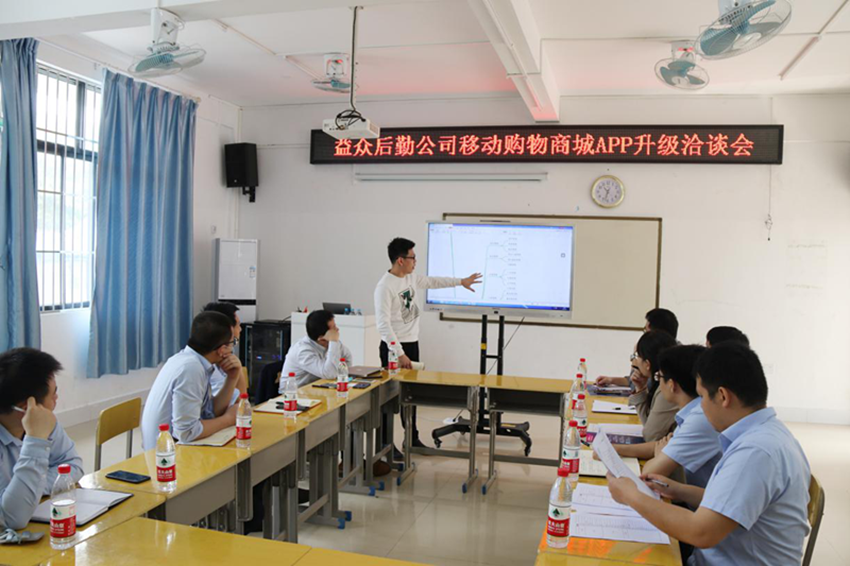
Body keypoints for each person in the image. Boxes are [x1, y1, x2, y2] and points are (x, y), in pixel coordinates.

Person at [607, 343, 811, 566]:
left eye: (702, 397)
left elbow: (700, 532)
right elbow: (728, 502)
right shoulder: (769, 433)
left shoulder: (755, 452)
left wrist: (631, 495)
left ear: (723, 396)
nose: (701, 408)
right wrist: (678, 490)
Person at [374, 237, 481, 448]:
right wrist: (400, 353)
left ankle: (411, 439)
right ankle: (385, 446)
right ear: (400, 260)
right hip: (394, 350)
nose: (415, 262)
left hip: (412, 344)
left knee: (411, 396)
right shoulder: (384, 287)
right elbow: (383, 325)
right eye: (412, 257)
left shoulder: (410, 278)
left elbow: (434, 282)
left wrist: (461, 281)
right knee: (389, 400)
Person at [0, 348, 83, 529]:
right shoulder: (40, 424)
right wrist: (36, 440)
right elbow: (13, 517)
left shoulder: (45, 422)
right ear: (27, 408)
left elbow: (73, 465)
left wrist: (33, 489)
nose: (56, 399)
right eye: (53, 395)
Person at [141, 312, 242, 450]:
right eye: (232, 343)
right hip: (166, 456)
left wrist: (232, 378)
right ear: (222, 349)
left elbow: (210, 413)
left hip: (174, 447)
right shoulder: (191, 369)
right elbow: (187, 433)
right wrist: (228, 419)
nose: (232, 348)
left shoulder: (190, 359)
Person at [641, 345, 722, 489]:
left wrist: (659, 455)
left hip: (699, 501)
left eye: (659, 377)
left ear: (672, 385)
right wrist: (615, 448)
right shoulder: (694, 410)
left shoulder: (699, 418)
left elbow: (649, 473)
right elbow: (661, 445)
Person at [613, 330, 678, 454]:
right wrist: (641, 388)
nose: (634, 361)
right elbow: (648, 424)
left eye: (637, 356)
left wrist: (616, 449)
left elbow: (650, 436)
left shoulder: (667, 388)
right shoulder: (661, 381)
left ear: (647, 364)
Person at [596, 308, 679, 387]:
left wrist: (636, 357)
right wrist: (610, 380)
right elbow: (633, 380)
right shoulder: (671, 350)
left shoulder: (665, 360)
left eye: (646, 331)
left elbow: (641, 386)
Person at [280, 310, 353, 388]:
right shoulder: (303, 351)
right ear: (321, 338)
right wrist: (333, 342)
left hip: (315, 388)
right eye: (333, 328)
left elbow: (347, 357)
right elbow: (330, 374)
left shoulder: (329, 342)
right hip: (294, 393)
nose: (337, 330)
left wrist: (341, 375)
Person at [202, 302, 247, 405]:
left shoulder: (226, 353)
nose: (240, 329)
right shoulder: (209, 363)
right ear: (229, 329)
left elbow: (242, 400)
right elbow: (239, 403)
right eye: (238, 325)